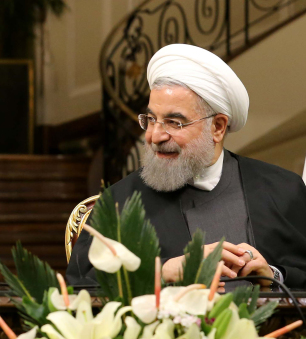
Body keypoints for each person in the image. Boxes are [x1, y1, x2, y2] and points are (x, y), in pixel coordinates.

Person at [67, 44, 306, 289]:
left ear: (218, 127)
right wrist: (162, 272)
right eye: (151, 120)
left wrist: (274, 276)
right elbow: (80, 287)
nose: (155, 136)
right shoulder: (120, 202)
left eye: (173, 122)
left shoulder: (282, 190)